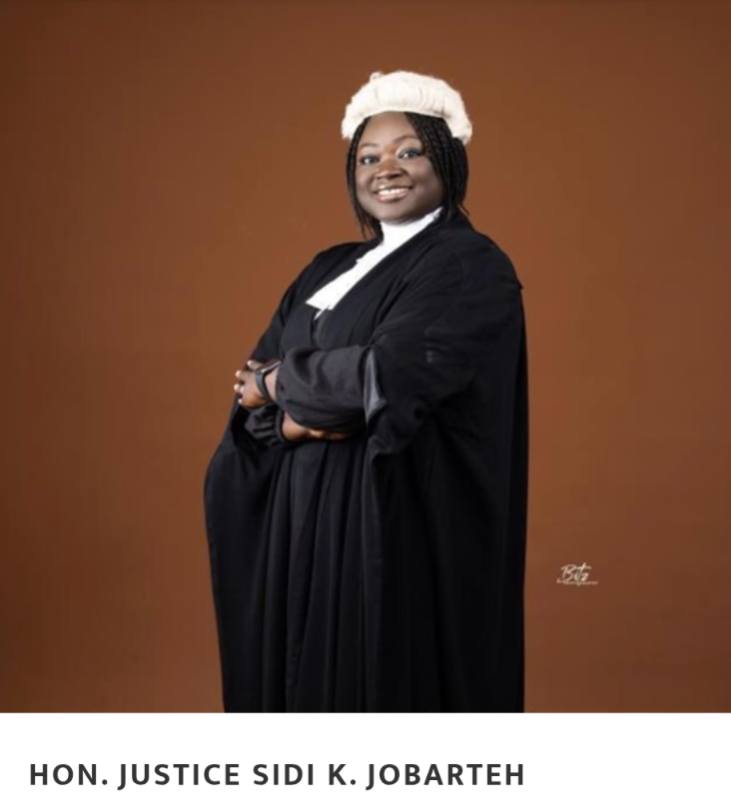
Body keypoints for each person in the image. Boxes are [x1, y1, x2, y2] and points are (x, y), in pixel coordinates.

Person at [203, 70, 529, 712]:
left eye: (410, 151)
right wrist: (287, 411)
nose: (387, 169)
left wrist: (281, 386)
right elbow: (250, 392)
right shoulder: (325, 268)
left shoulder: (469, 265)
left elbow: (386, 377)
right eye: (368, 157)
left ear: (447, 161)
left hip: (390, 528)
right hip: (300, 527)